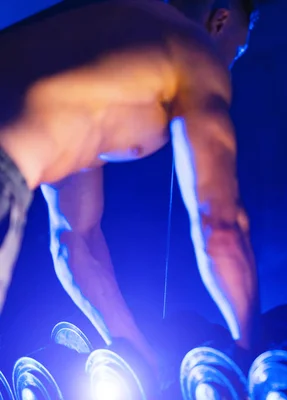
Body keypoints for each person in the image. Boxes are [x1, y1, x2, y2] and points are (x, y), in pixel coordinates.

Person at [0, 0, 259, 376]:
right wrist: (252, 351)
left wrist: (138, 355)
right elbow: (220, 227)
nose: (231, 63)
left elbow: (76, 241)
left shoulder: (96, 40)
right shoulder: (192, 50)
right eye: (238, 49)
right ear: (220, 20)